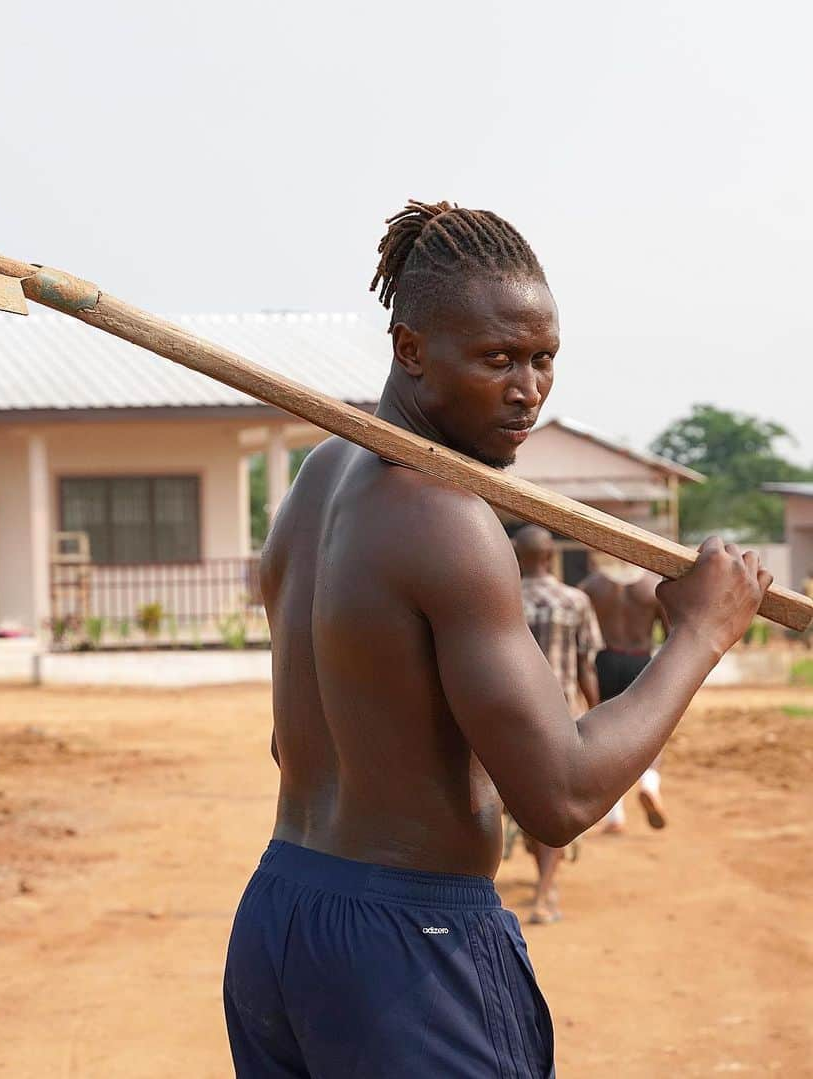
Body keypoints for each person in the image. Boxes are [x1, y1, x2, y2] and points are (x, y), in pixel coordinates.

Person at [222, 199, 771, 1078]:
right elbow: (559, 795)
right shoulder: (448, 519)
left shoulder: (317, 478)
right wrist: (700, 633)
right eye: (498, 359)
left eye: (543, 358)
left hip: (283, 915)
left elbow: (293, 741)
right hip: (411, 945)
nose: (528, 390)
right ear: (410, 350)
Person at [513, 526, 602, 924]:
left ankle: (544, 884)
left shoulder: (498, 598)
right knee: (550, 803)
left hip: (506, 717)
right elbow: (586, 666)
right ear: (550, 557)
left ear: (516, 556)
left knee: (521, 806)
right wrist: (596, 715)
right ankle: (544, 895)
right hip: (560, 716)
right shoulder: (575, 600)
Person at [579, 555, 668, 831]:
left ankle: (615, 816)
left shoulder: (592, 587)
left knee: (607, 732)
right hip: (640, 660)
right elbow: (671, 633)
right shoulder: (653, 587)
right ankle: (650, 784)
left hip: (604, 661)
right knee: (651, 730)